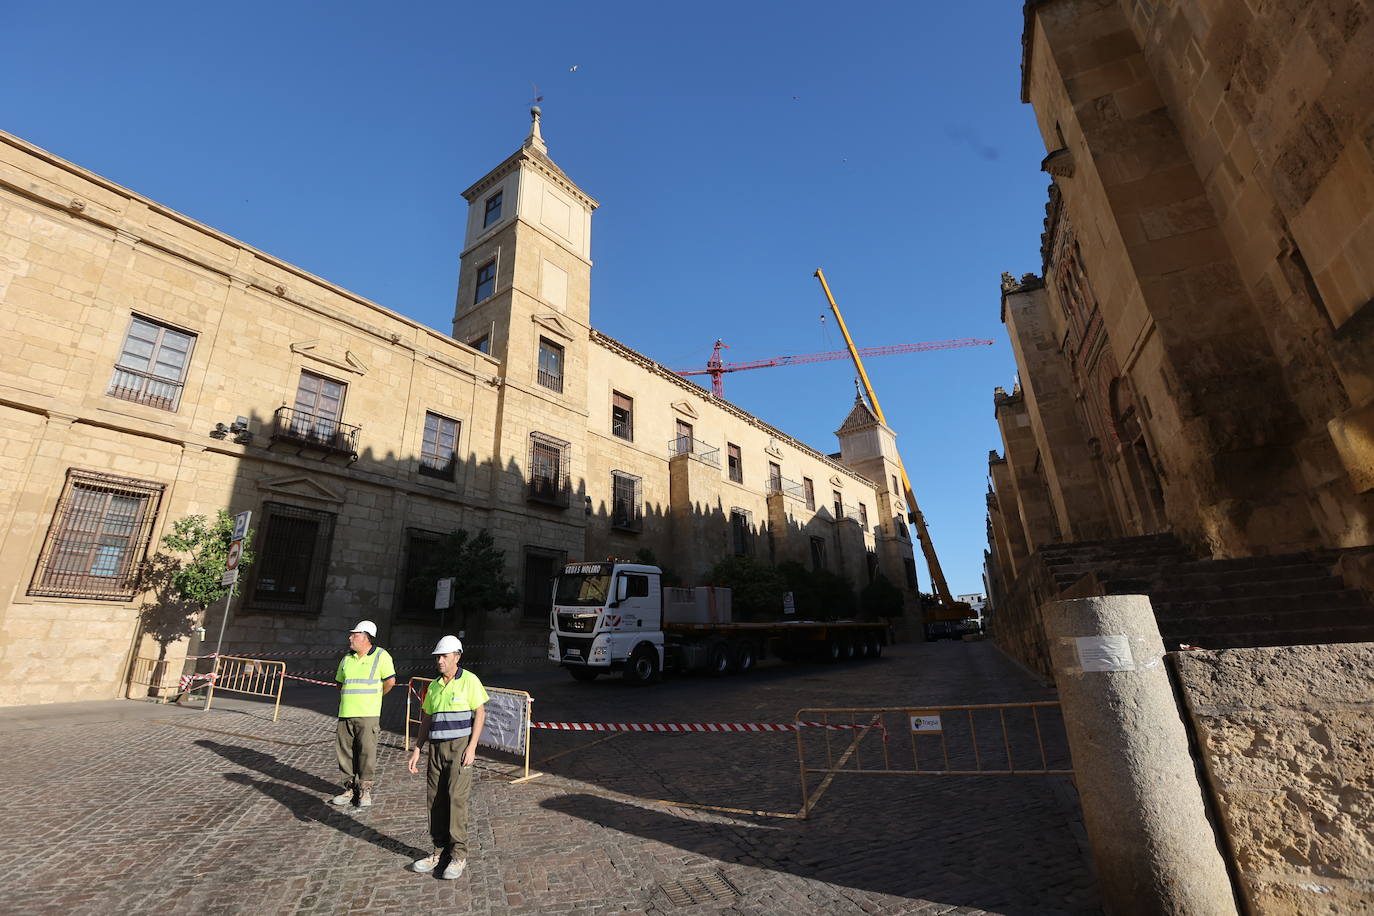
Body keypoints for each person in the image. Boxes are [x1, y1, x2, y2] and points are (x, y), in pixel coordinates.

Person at [408, 635, 488, 880]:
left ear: (457, 656)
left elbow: (480, 713)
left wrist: (472, 747)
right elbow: (427, 719)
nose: (439, 661)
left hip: (460, 747)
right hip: (436, 749)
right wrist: (418, 748)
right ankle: (438, 850)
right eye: (437, 657)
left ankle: (458, 855)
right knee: (435, 799)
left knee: (456, 799)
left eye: (444, 656)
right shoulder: (433, 686)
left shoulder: (470, 681)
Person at [330, 620, 396, 807]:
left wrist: (375, 697)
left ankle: (365, 791)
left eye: (355, 635)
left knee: (367, 753)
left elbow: (389, 682)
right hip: (346, 713)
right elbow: (339, 683)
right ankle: (349, 789)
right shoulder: (346, 659)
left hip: (368, 714)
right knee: (345, 753)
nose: (350, 638)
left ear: (366, 638)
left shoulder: (381, 656)